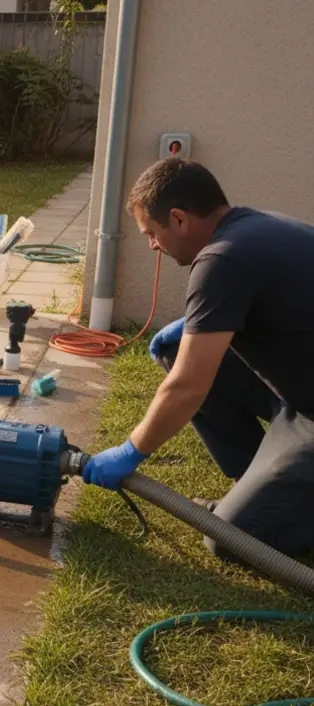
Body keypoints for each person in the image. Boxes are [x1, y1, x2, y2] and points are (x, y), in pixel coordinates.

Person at [81, 157, 314, 561]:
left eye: (152, 233)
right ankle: (254, 481)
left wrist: (131, 451)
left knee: (228, 540)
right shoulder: (256, 227)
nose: (153, 245)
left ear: (179, 219)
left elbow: (188, 387)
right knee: (177, 348)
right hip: (297, 385)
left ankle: (276, 508)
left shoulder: (221, 260)